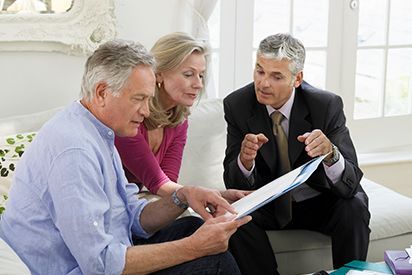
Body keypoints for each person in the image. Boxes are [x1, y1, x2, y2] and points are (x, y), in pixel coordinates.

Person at [0, 39, 251, 274]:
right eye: (139, 99)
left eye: (149, 99)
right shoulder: (74, 151)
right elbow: (99, 263)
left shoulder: (99, 131)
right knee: (210, 259)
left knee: (192, 227)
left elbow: (131, 215)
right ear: (101, 93)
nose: (146, 111)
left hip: (113, 253)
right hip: (86, 269)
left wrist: (182, 196)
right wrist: (194, 247)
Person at [223, 33, 370, 275]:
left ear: (297, 78)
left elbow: (351, 183)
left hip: (316, 201)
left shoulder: (326, 105)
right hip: (268, 203)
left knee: (354, 205)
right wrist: (244, 161)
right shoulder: (237, 105)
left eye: (276, 76)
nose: (263, 83)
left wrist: (330, 154)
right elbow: (234, 186)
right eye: (260, 71)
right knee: (231, 218)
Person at [115, 32, 249, 219]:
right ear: (159, 74)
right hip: (111, 210)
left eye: (201, 75)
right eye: (188, 74)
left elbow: (168, 184)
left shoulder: (178, 121)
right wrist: (213, 195)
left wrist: (220, 195)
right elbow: (158, 183)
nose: (198, 84)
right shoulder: (130, 116)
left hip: (134, 206)